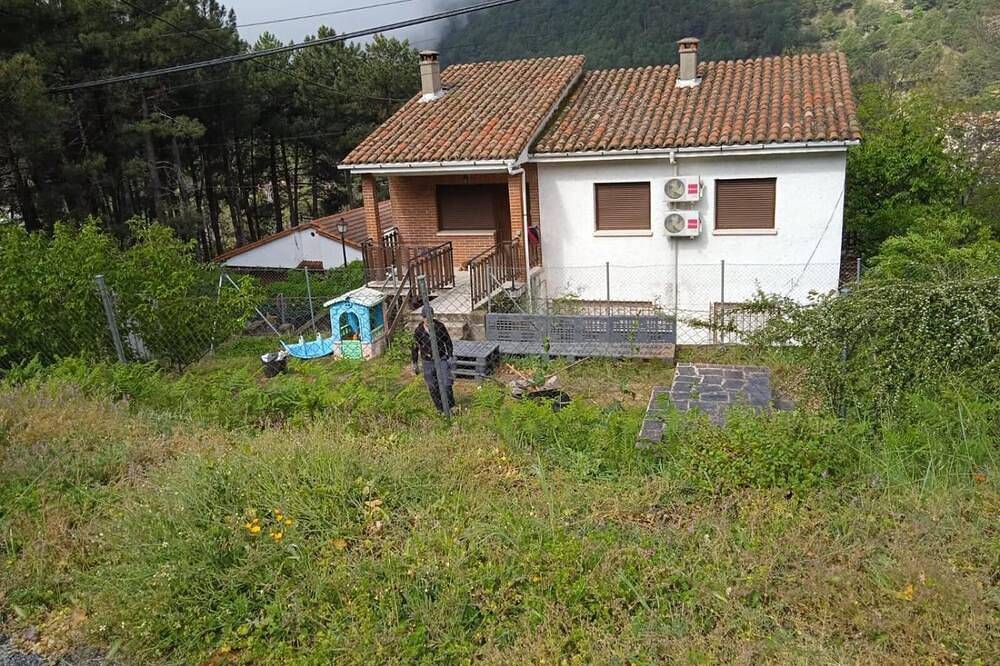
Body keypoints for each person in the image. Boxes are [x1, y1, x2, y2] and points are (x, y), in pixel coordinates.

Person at [411, 312, 455, 414]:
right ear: (422, 318)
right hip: (427, 361)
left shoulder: (439, 327)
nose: (427, 320)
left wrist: (450, 355)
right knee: (432, 385)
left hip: (441, 358)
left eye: (429, 317)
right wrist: (414, 363)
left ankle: (451, 406)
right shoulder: (419, 331)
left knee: (446, 382)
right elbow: (414, 347)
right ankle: (440, 408)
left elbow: (447, 341)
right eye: (425, 317)